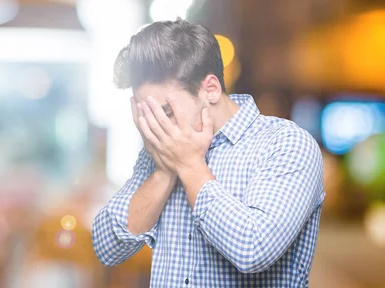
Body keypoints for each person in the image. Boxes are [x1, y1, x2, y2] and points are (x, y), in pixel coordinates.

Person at [91, 19, 324, 287]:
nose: (155, 127)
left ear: (210, 89)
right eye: (147, 115)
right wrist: (165, 171)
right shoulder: (162, 151)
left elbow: (253, 248)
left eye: (165, 113)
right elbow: (107, 247)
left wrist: (189, 166)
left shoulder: (286, 144)